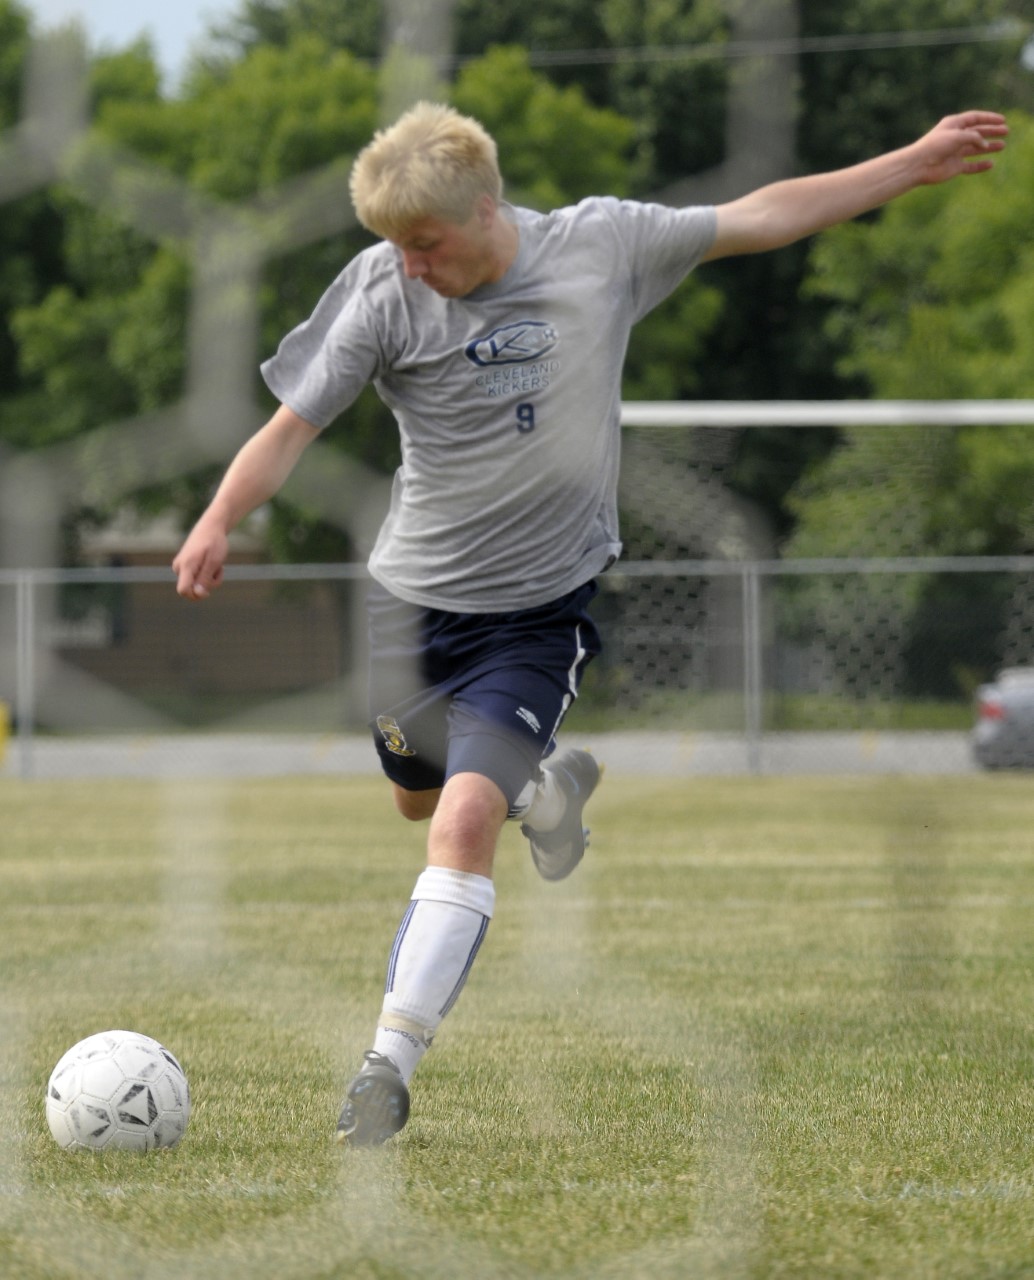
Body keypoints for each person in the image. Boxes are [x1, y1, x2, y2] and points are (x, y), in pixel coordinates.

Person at [172, 102, 1007, 1145]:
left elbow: (760, 214)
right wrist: (215, 518)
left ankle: (385, 1066)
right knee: (414, 799)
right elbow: (290, 428)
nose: (411, 265)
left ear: (484, 208)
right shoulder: (382, 291)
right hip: (410, 607)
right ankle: (549, 784)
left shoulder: (600, 245)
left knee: (460, 822)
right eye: (395, 246)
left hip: (535, 610)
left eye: (425, 244)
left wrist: (911, 163)